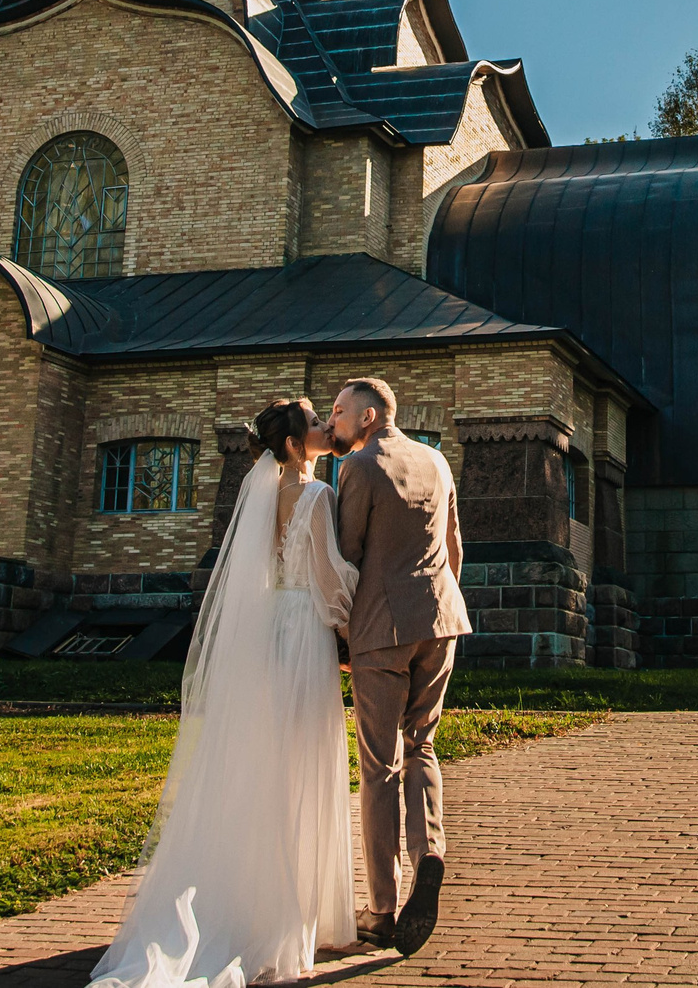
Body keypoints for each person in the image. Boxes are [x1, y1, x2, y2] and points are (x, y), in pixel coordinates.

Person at [88, 398, 358, 988]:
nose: (321, 430)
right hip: (303, 629)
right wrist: (362, 598)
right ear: (293, 445)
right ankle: (294, 913)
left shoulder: (257, 499)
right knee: (303, 757)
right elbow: (330, 577)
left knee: (265, 761)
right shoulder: (316, 496)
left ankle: (251, 896)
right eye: (313, 425)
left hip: (266, 628)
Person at [333, 376, 473, 958]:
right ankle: (430, 853)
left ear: (368, 418)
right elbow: (456, 546)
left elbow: (346, 555)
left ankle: (384, 909)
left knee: (378, 766)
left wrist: (342, 635)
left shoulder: (360, 468)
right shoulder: (438, 461)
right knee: (423, 746)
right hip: (441, 620)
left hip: (380, 629)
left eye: (339, 412)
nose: (333, 422)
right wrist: (436, 608)